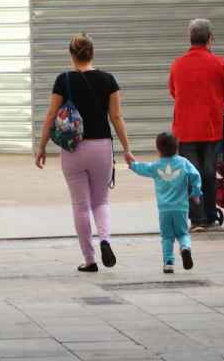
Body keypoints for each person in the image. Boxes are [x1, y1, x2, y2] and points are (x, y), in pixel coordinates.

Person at [36, 34, 135, 273]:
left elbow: (51, 115)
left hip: (73, 148)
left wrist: (41, 146)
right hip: (101, 146)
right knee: (100, 201)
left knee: (80, 205)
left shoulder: (64, 79)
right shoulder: (108, 80)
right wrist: (127, 149)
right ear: (92, 53)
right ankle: (105, 240)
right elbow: (116, 117)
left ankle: (89, 260)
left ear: (71, 55)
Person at [168, 18, 224, 231]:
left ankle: (196, 219)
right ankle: (209, 216)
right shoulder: (219, 63)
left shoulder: (178, 64)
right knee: (208, 172)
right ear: (210, 39)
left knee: (191, 173)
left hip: (185, 129)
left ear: (190, 39)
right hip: (211, 128)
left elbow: (173, 91)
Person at [128, 132, 203, 274]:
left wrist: (132, 164)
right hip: (181, 207)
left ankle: (168, 263)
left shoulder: (156, 166)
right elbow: (195, 175)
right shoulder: (183, 162)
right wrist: (196, 193)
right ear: (177, 147)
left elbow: (142, 169)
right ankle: (185, 248)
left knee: (167, 237)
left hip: (164, 210)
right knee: (182, 233)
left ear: (158, 149)